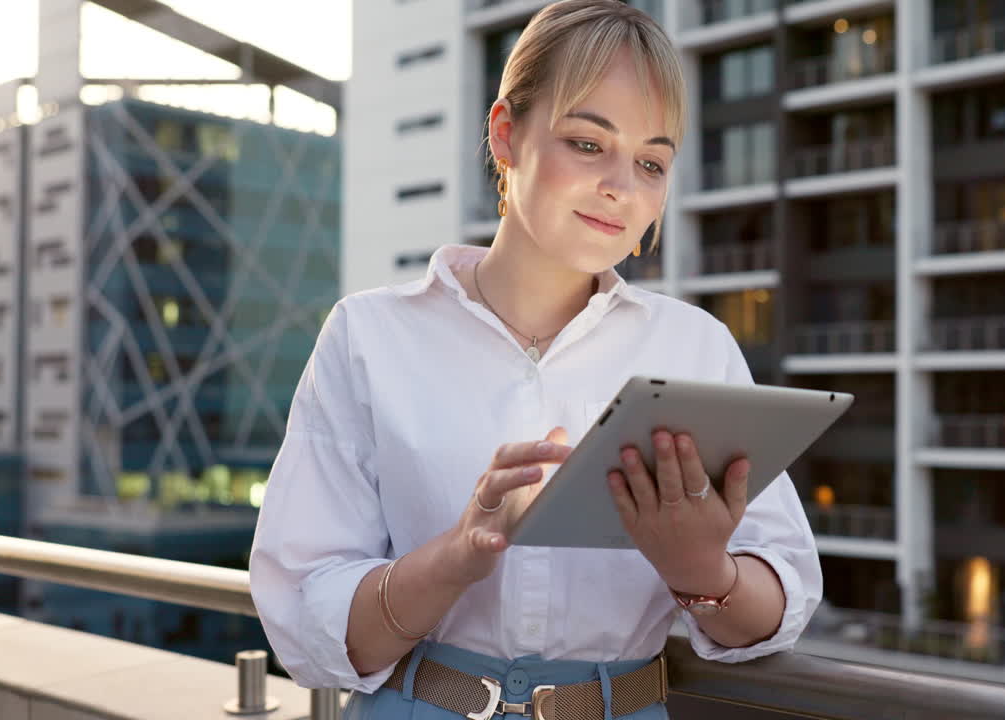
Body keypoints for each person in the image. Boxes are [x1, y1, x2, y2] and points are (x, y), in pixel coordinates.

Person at [248, 1, 822, 718]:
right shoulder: (369, 335)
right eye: (588, 143)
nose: (621, 187)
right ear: (505, 134)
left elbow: (781, 601)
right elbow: (308, 623)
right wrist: (457, 556)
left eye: (651, 162)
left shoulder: (695, 346)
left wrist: (701, 569)